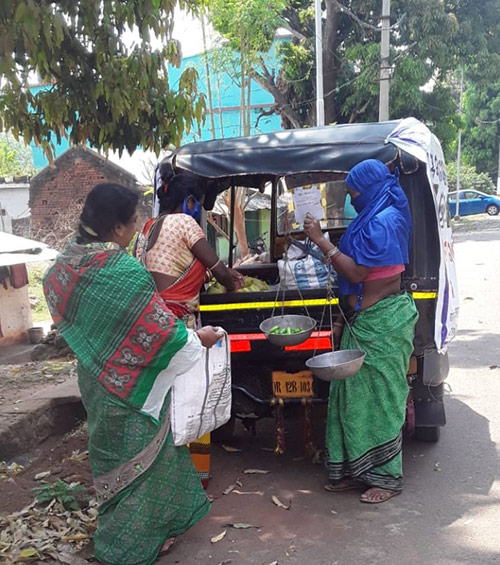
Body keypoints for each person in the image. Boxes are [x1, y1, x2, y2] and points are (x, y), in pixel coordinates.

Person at [43, 184, 221, 565]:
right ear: (119, 227)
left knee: (110, 456)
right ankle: (129, 547)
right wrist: (198, 339)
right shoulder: (121, 270)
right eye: (136, 218)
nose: (140, 223)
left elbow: (59, 300)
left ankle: (153, 530)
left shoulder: (63, 265)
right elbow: (161, 333)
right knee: (141, 459)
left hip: (95, 376)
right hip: (135, 385)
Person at [303, 159, 419, 504]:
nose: (353, 201)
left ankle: (387, 476)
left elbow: (355, 273)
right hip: (362, 322)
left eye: (354, 194)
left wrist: (321, 241)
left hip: (384, 324)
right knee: (349, 401)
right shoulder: (374, 217)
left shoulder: (384, 223)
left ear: (368, 191)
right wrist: (342, 321)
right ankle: (354, 472)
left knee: (379, 403)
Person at [135, 171, 243, 488]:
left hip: (153, 324)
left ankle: (163, 473)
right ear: (190, 201)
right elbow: (219, 271)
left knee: (163, 401)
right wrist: (232, 279)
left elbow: (171, 269)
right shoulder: (185, 222)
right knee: (192, 398)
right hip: (179, 326)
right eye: (198, 204)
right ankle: (193, 478)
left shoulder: (147, 228)